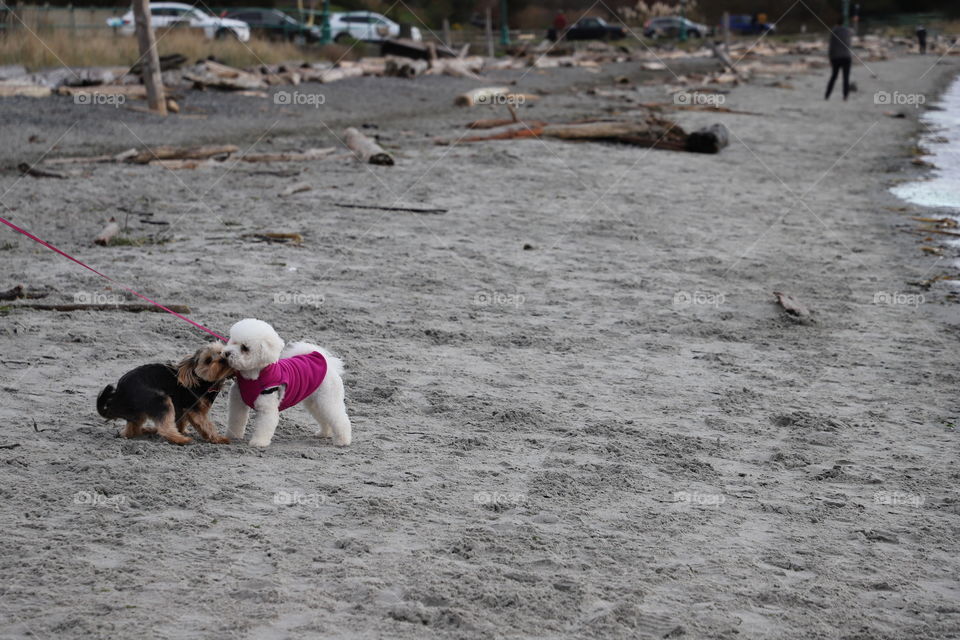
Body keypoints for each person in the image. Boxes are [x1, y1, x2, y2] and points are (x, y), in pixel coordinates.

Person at [825, 22, 853, 101]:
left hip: (836, 57)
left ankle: (827, 95)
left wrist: (830, 58)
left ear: (836, 24)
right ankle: (845, 96)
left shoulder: (834, 31)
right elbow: (849, 44)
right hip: (846, 57)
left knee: (834, 76)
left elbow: (831, 46)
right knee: (846, 77)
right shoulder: (848, 31)